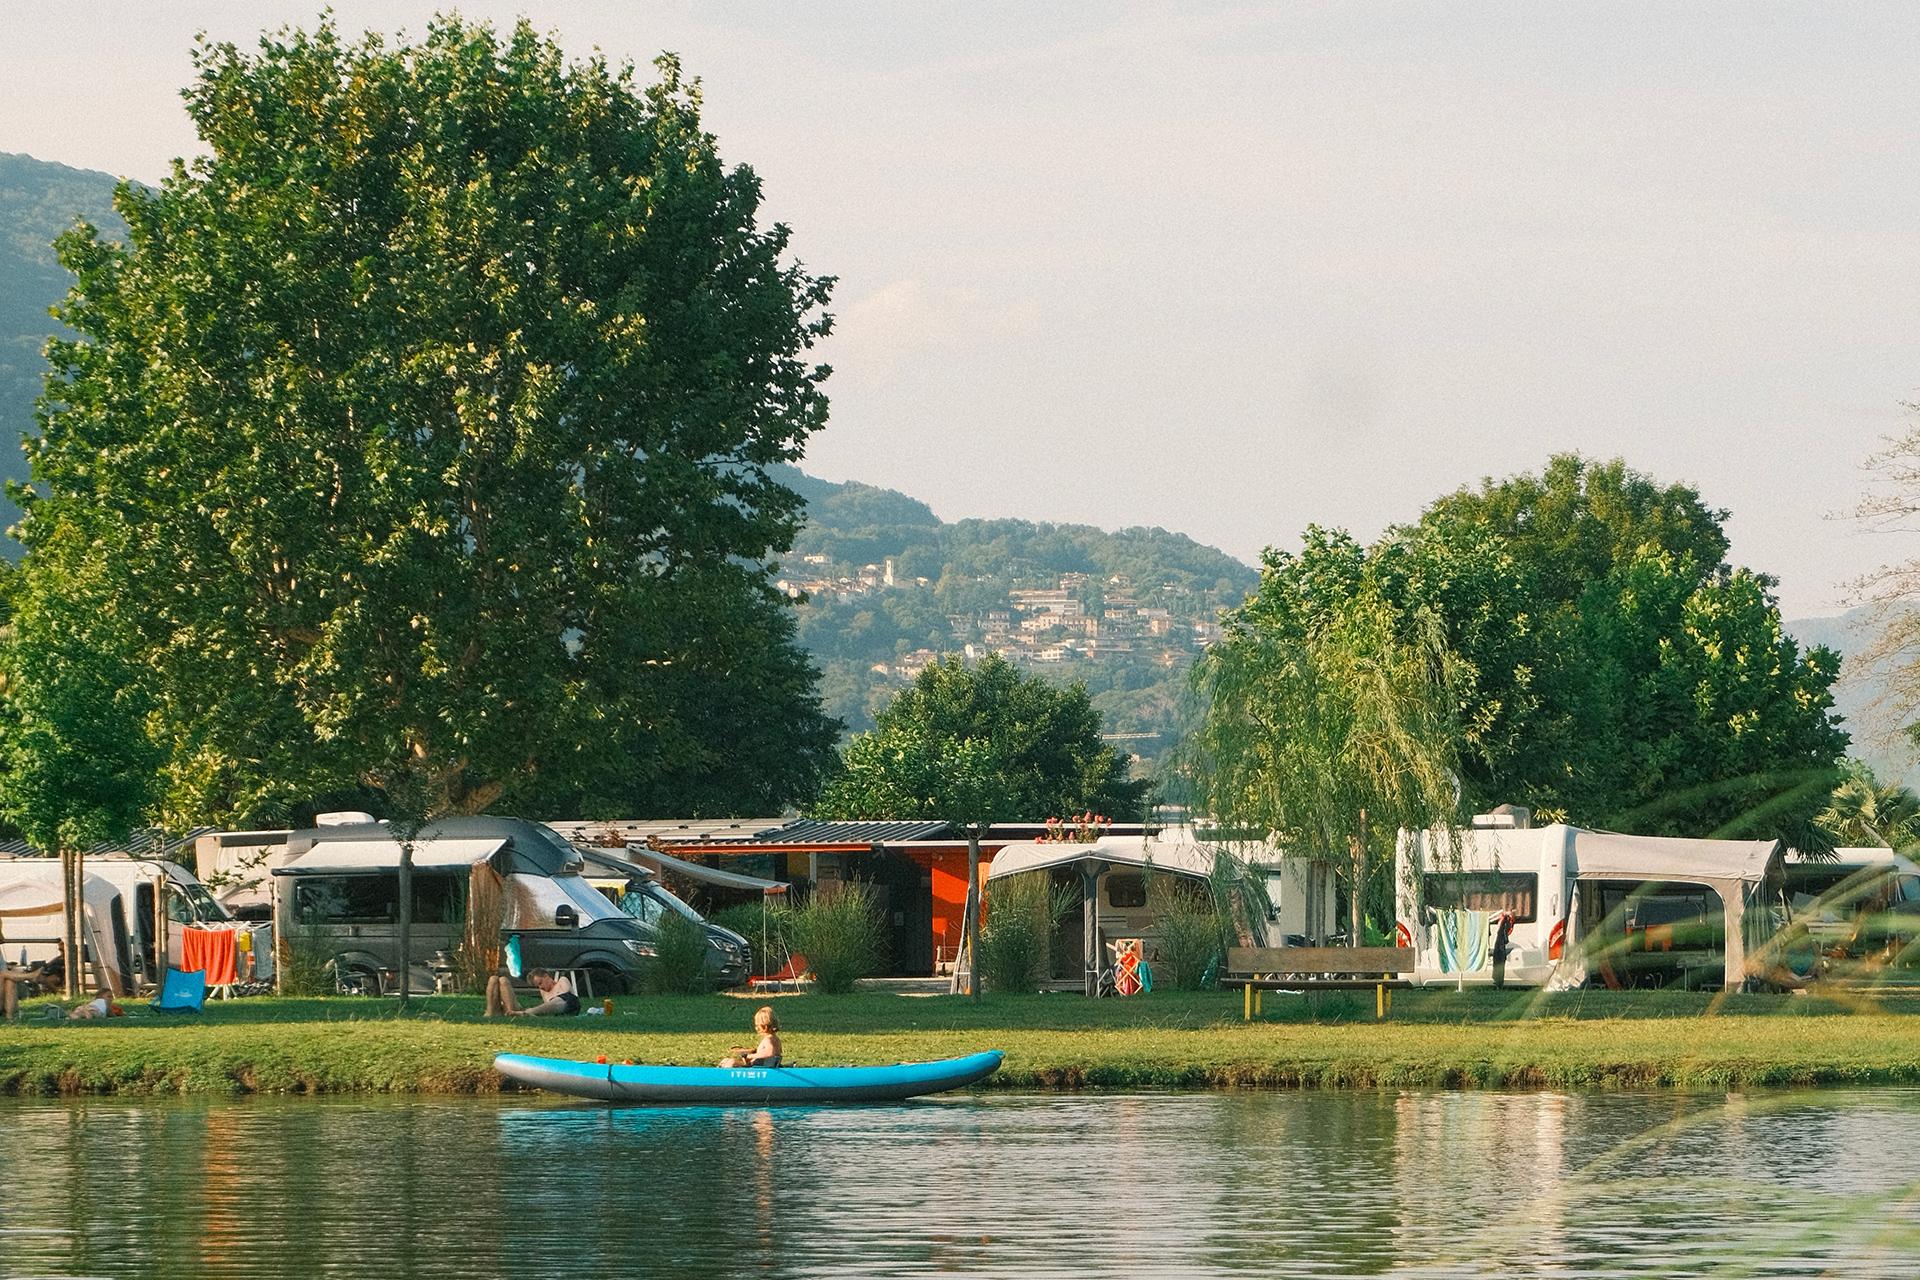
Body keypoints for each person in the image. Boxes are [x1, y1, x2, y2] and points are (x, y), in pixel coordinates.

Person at [485, 968, 580, 1017]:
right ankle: (501, 1011)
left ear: (547, 976)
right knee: (499, 980)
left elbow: (567, 994)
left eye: (540, 983)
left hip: (566, 1003)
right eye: (538, 986)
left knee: (559, 1000)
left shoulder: (561, 981)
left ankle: (519, 1013)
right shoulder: (544, 992)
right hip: (530, 1010)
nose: (541, 987)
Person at [1490, 910, 1517, 990]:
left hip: (1500, 948)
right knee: (1499, 965)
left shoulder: (1504, 924)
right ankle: (1498, 983)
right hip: (1500, 948)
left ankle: (1498, 983)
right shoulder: (1505, 924)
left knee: (1499, 965)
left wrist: (1506, 915)